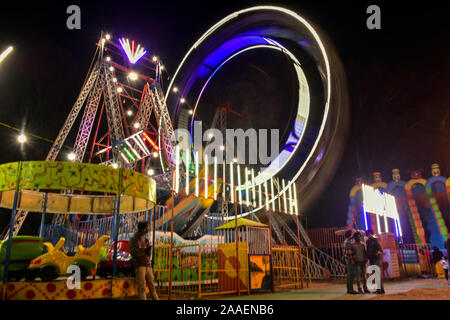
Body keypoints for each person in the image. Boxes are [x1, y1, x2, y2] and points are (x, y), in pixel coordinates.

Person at [130, 221, 159, 300]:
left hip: (147, 265)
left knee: (152, 287)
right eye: (147, 227)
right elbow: (134, 252)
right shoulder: (134, 239)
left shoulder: (145, 239)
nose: (148, 229)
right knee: (142, 288)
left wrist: (148, 250)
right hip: (140, 265)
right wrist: (145, 250)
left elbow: (147, 254)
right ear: (143, 229)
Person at [366, 229, 385, 294]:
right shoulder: (367, 241)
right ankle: (378, 289)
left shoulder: (375, 240)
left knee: (377, 274)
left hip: (375, 259)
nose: (369, 235)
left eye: (369, 233)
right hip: (371, 259)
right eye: (368, 234)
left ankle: (380, 289)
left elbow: (380, 250)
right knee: (375, 275)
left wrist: (377, 254)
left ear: (371, 233)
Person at [343, 230, 357, 294]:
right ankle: (351, 289)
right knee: (351, 273)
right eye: (351, 234)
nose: (352, 235)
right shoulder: (348, 242)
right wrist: (352, 260)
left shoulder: (345, 241)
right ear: (350, 235)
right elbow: (349, 253)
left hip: (347, 259)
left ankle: (349, 288)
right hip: (349, 259)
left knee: (349, 274)